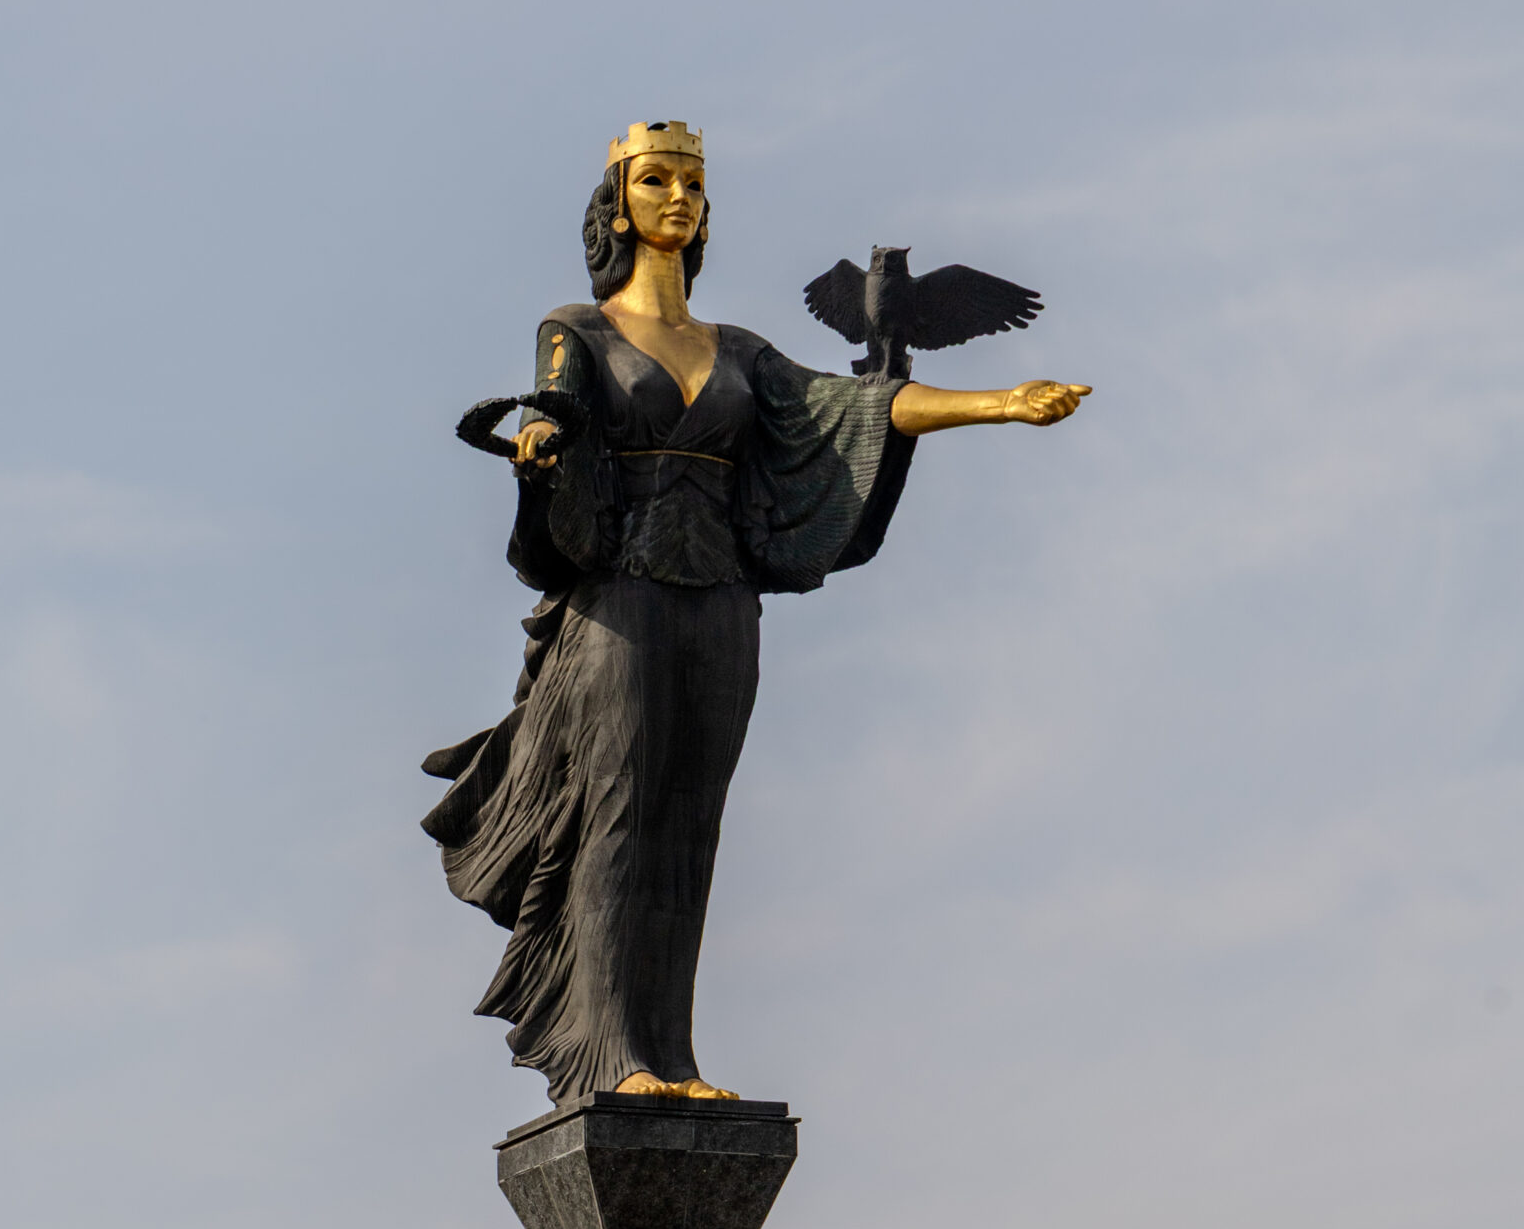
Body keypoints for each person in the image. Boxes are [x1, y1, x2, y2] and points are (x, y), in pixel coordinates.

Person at [422, 121, 1089, 1106]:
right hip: (621, 600)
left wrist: (1000, 403)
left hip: (720, 597)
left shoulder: (737, 350)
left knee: (690, 826)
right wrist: (538, 447)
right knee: (621, 816)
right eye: (655, 180)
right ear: (616, 207)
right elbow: (553, 408)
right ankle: (612, 1056)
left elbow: (854, 406)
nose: (679, 197)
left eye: (693, 183)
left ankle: (671, 1058)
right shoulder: (578, 326)